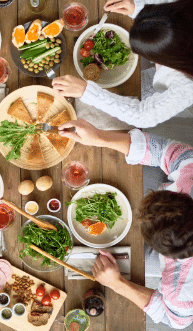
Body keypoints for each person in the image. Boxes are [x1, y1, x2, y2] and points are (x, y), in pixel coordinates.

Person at [58, 119, 193, 329]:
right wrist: (99, 137)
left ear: (169, 255)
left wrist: (117, 284)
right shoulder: (190, 174)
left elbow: (175, 320)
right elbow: (165, 152)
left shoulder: (180, 290)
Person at [52, 0, 193, 128]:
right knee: (141, 84)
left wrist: (86, 92)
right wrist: (137, 6)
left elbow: (143, 116)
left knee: (142, 91)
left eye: (154, 57)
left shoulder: (186, 88)